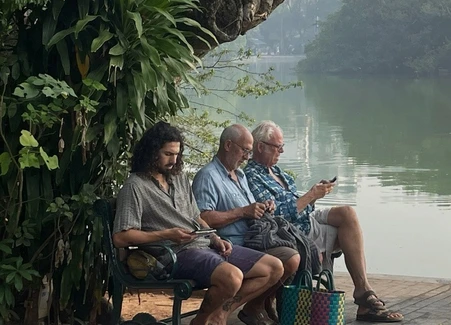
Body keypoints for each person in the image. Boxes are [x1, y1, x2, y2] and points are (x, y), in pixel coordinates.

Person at [113, 121, 283, 325]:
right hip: (174, 254)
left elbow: (196, 217)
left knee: (273, 267)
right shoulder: (135, 186)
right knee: (232, 277)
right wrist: (167, 234)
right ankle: (202, 321)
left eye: (177, 154)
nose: (174, 161)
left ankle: (218, 314)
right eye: (168, 154)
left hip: (204, 246)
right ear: (151, 151)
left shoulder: (179, 178)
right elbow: (121, 237)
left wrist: (214, 237)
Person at [245, 120, 404, 323]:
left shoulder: (277, 173)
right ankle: (364, 299)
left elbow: (297, 204)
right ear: (261, 146)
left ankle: (363, 290)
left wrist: (314, 195)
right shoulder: (251, 176)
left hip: (304, 218)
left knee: (347, 213)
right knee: (345, 233)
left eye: (282, 147)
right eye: (278, 147)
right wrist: (311, 195)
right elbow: (279, 217)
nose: (281, 152)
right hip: (290, 230)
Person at [192, 124, 300, 323]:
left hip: (252, 239)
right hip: (227, 245)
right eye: (244, 151)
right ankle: (227, 311)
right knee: (284, 262)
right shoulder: (208, 176)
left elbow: (248, 210)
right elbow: (202, 218)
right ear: (228, 145)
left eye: (249, 152)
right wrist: (242, 212)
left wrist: (262, 207)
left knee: (294, 255)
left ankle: (240, 308)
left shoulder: (240, 175)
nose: (247, 157)